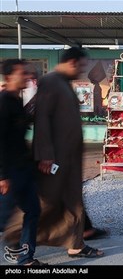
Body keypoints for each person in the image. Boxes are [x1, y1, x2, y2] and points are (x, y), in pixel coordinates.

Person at [3, 47, 104, 258]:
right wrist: (45, 154)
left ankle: (76, 243)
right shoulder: (51, 82)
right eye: (82, 66)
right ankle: (14, 237)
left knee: (73, 200)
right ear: (73, 62)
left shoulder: (61, 83)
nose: (82, 70)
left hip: (68, 159)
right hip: (53, 159)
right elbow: (42, 121)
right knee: (44, 202)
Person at [0, 59, 45, 266]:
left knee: (33, 210)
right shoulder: (3, 103)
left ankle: (25, 258)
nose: (27, 76)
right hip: (9, 173)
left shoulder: (17, 101)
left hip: (23, 169)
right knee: (3, 219)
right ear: (9, 77)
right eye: (22, 73)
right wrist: (2, 176)